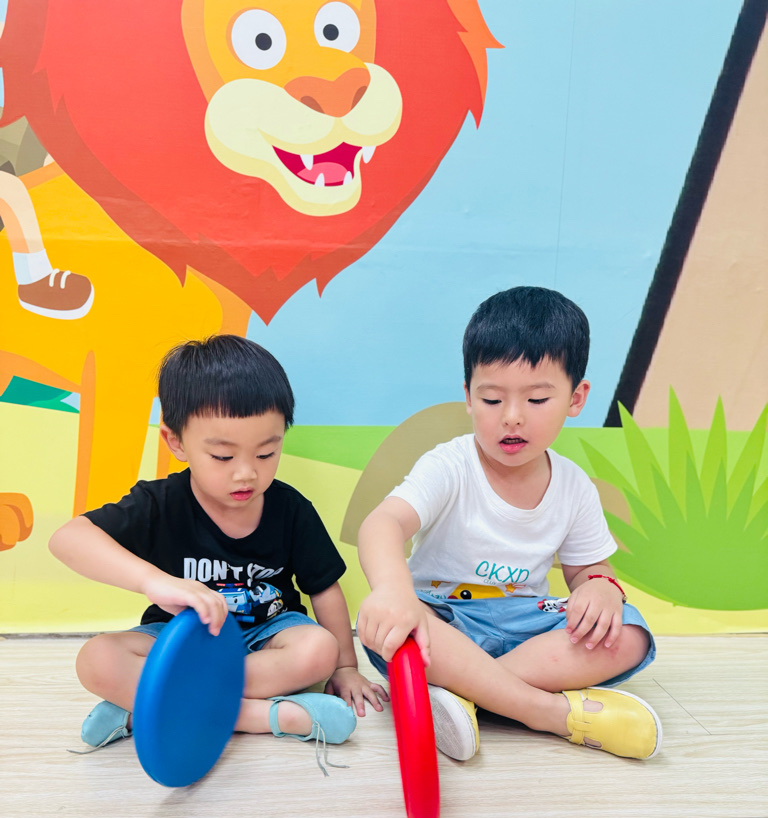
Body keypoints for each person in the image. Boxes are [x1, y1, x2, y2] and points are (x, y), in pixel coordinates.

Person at [50, 335, 387, 767]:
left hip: (268, 638)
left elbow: (324, 589)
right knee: (95, 659)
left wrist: (344, 667)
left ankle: (151, 707)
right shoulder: (158, 503)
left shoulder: (291, 509)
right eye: (223, 457)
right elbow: (67, 539)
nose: (247, 473)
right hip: (178, 639)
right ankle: (264, 716)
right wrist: (154, 581)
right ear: (176, 442)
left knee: (318, 650)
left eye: (266, 453)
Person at [357, 286, 661, 762]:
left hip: (524, 624)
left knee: (628, 632)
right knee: (391, 629)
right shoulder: (450, 465)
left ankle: (466, 695)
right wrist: (394, 592)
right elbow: (383, 523)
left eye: (537, 399)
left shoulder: (574, 486)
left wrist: (601, 588)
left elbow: (589, 569)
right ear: (468, 396)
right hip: (444, 619)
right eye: (492, 399)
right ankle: (544, 712)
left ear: (576, 398)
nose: (512, 418)